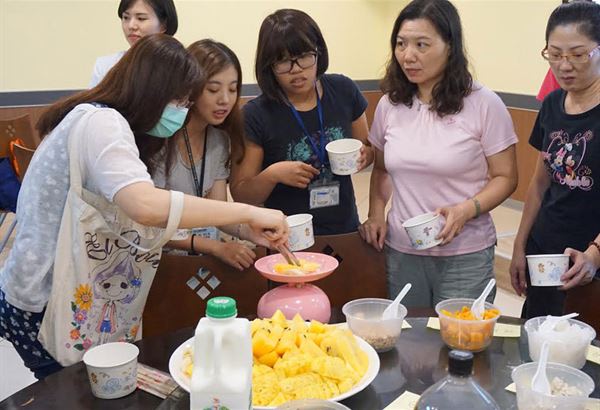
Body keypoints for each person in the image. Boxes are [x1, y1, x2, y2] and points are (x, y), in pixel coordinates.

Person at [0, 34, 288, 379]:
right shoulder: (102, 123)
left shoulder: (106, 122)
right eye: (180, 99)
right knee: (74, 392)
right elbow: (145, 206)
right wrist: (248, 212)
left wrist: (244, 227)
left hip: (62, 296)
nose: (181, 110)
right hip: (45, 303)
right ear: (152, 89)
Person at [359, 0, 518, 308]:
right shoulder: (390, 105)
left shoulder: (484, 104)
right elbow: (381, 169)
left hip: (465, 253)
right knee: (409, 344)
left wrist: (466, 210)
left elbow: (506, 177)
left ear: (450, 46)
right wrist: (376, 213)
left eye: (422, 44)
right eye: (401, 44)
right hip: (402, 250)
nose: (408, 55)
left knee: (460, 345)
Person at [230, 9, 373, 235]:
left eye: (305, 56)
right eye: (283, 61)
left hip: (345, 228)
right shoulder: (256, 115)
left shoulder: (344, 90)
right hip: (287, 236)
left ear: (319, 53)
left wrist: (365, 156)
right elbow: (242, 193)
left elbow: (367, 148)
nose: (296, 69)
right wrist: (273, 174)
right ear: (269, 66)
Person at [510, 0, 600, 317]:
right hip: (546, 250)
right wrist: (520, 246)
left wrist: (595, 253)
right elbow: (539, 183)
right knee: (536, 339)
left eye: (578, 54)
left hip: (589, 256)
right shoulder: (551, 105)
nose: (564, 65)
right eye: (555, 54)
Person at [152, 39, 257, 271]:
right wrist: (214, 247)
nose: (225, 100)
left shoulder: (219, 140)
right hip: (159, 265)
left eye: (232, 89)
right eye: (213, 89)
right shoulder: (161, 139)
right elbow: (151, 225)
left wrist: (252, 229)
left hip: (199, 262)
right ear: (189, 87)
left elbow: (219, 211)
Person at [89, 0, 178, 87]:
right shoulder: (106, 65)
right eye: (126, 18)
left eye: (141, 18)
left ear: (163, 25)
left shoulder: (179, 65)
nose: (131, 26)